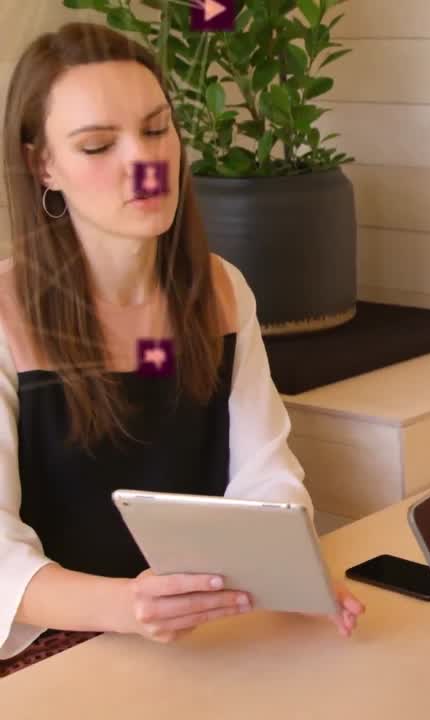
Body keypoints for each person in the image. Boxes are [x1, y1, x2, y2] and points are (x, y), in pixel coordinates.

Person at [0, 22, 365, 676]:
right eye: (98, 145)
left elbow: (263, 471)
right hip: (51, 653)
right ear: (42, 165)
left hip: (203, 633)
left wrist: (295, 572)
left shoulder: (222, 290)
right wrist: (127, 606)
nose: (143, 166)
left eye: (156, 129)